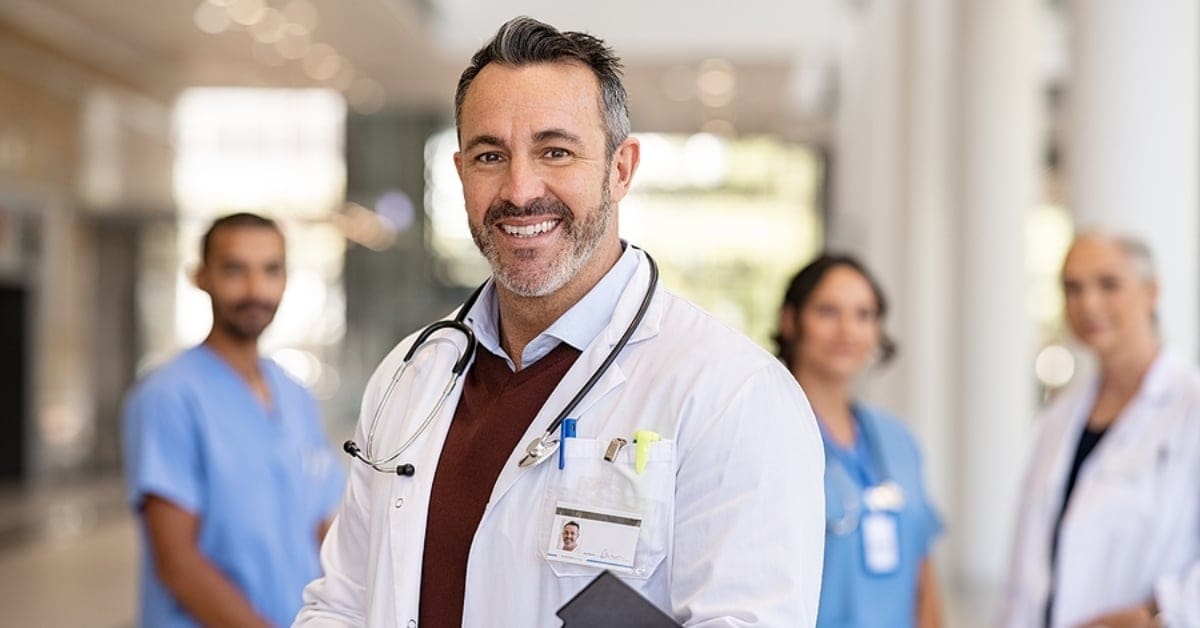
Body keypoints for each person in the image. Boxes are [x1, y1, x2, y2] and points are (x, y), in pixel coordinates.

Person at [296, 16, 824, 627]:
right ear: (462, 171)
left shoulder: (731, 394)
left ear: (620, 169)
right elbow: (338, 605)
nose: (520, 190)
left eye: (556, 151)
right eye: (491, 155)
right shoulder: (411, 375)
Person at [122, 212, 346, 627]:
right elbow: (179, 565)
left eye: (270, 270)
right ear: (200, 277)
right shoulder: (169, 397)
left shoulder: (295, 397)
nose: (255, 290)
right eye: (234, 270)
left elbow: (320, 531)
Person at [1001, 231, 1200, 628]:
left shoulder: (1189, 407)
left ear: (1151, 292)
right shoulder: (1060, 416)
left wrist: (1159, 612)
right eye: (1072, 288)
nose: (1088, 303)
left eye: (1108, 284)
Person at [773, 254, 944, 628]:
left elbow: (923, 572)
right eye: (828, 312)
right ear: (790, 320)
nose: (848, 330)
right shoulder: (769, 436)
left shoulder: (899, 440)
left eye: (864, 315)